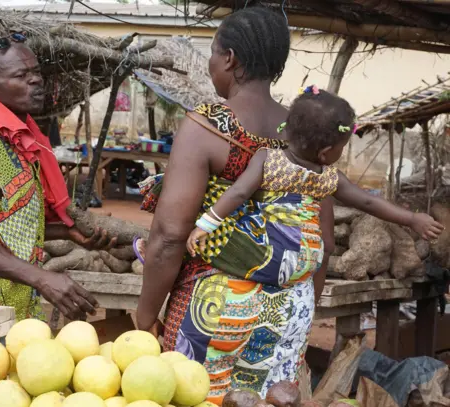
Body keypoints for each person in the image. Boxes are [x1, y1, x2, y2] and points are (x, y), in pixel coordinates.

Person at [135, 7, 334, 403]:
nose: (211, 64)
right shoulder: (305, 135)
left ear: (230, 58)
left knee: (198, 397)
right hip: (287, 311)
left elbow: (171, 236)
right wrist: (297, 316)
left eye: (213, 52)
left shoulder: (207, 126)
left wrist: (144, 320)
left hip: (213, 311)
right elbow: (322, 240)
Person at [0, 33, 116, 322]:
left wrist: (66, 233)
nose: (36, 81)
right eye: (21, 75)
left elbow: (1, 219)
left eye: (36, 73)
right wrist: (42, 278)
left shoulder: (17, 137)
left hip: (13, 305)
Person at [187, 86, 442, 272]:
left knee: (206, 228)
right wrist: (412, 218)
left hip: (261, 258)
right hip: (303, 267)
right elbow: (368, 203)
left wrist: (205, 225)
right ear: (325, 153)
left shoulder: (268, 159)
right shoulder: (329, 178)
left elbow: (239, 193)